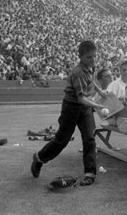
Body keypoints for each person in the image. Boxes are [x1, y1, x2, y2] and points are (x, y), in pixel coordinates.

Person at [30, 41, 106, 186]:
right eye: (89, 57)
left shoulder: (91, 66)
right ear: (81, 57)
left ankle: (90, 173)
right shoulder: (77, 73)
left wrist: (100, 91)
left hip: (84, 108)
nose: (93, 60)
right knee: (62, 140)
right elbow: (81, 98)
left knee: (90, 138)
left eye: (94, 56)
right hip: (72, 107)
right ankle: (39, 158)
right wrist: (96, 105)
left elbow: (91, 80)